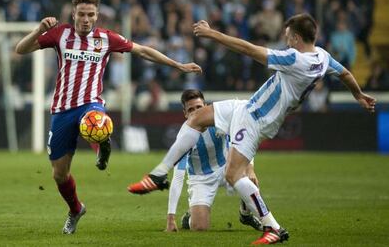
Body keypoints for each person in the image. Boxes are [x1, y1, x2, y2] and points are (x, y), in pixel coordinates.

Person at [128, 13, 376, 245]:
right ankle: (159, 175)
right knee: (196, 118)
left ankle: (273, 228)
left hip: (256, 119)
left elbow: (248, 49)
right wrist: (359, 95)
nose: (286, 41)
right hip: (246, 108)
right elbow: (343, 73)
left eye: (288, 37)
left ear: (297, 39)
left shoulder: (294, 58)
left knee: (234, 175)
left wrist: (213, 34)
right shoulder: (321, 57)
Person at [15, 0, 201, 235]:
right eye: (81, 14)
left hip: (90, 104)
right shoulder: (60, 34)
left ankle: (102, 143)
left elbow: (143, 50)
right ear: (73, 15)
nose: (85, 19)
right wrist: (39, 28)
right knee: (59, 174)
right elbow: (21, 49)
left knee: (95, 121)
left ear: (97, 16)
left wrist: (178, 65)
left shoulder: (105, 38)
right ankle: (75, 209)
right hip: (62, 110)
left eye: (90, 15)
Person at [164, 89, 262, 232]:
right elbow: (178, 178)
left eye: (199, 107)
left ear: (206, 106)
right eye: (191, 110)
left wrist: (250, 168)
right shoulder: (184, 138)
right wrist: (171, 217)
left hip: (226, 168)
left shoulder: (220, 120)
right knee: (200, 227)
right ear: (185, 114)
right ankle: (190, 217)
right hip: (201, 179)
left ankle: (245, 214)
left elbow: (243, 143)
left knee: (249, 177)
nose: (196, 112)